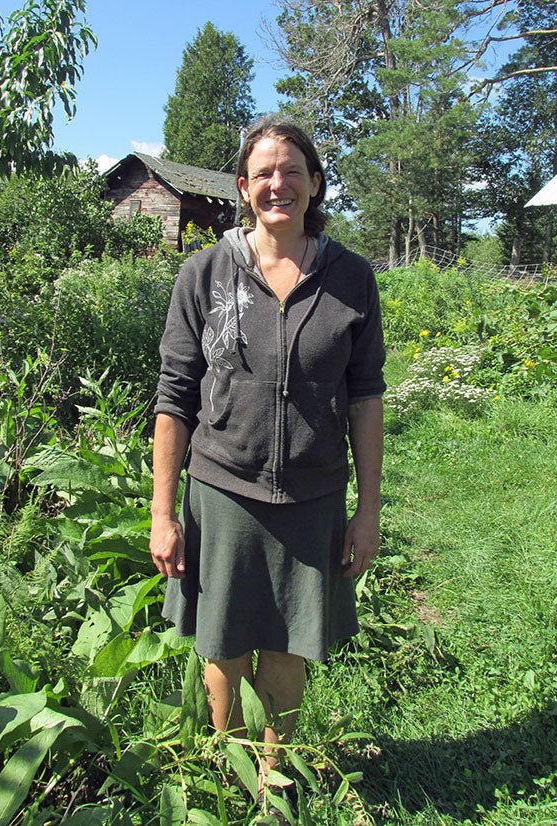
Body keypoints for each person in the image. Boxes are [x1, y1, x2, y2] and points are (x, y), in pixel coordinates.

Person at [150, 116, 385, 793]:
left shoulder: (352, 280)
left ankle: (272, 775)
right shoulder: (205, 274)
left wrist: (367, 511)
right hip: (222, 489)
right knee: (221, 641)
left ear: (313, 183)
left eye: (291, 171)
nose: (277, 184)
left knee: (289, 643)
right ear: (243, 187)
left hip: (312, 496)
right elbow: (174, 397)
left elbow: (366, 397)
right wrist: (163, 513)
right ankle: (225, 768)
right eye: (263, 174)